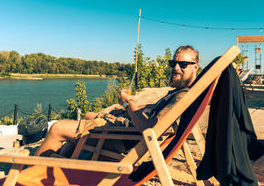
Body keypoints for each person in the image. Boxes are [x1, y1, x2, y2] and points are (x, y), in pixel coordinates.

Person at [34, 45, 200, 157]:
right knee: (87, 115)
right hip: (128, 131)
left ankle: (33, 174)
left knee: (57, 128)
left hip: (126, 139)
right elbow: (155, 113)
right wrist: (133, 106)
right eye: (174, 63)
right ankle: (64, 161)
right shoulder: (182, 92)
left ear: (195, 67)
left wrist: (128, 104)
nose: (176, 68)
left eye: (183, 64)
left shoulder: (182, 97)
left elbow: (150, 129)